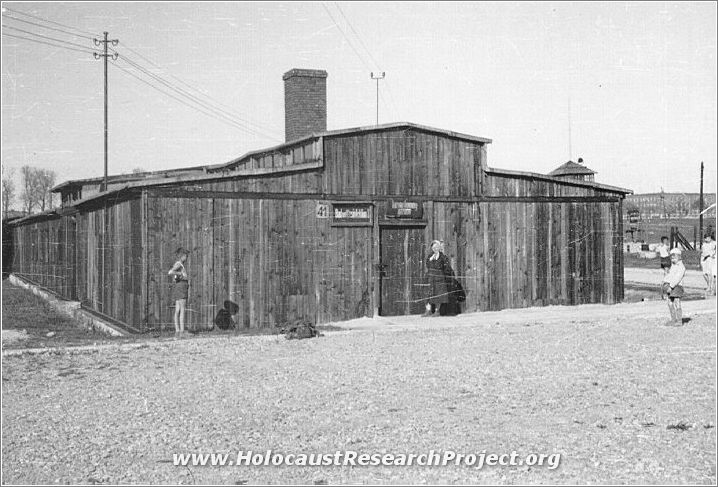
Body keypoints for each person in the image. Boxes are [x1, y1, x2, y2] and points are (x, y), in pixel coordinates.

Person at [423, 240, 453, 317]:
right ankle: (428, 311)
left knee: (438, 295)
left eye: (436, 247)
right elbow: (427, 265)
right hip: (430, 277)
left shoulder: (443, 257)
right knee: (428, 294)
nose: (435, 249)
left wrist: (442, 274)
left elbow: (447, 268)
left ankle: (437, 311)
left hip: (439, 278)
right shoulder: (430, 257)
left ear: (439, 248)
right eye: (433, 247)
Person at [167, 248, 189, 337]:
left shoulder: (179, 264)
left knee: (178, 310)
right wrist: (180, 274)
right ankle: (182, 331)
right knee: (182, 309)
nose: (187, 258)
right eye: (186, 256)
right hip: (181, 288)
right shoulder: (179, 264)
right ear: (182, 256)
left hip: (178, 288)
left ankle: (177, 331)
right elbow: (170, 272)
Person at [662, 248, 686, 326]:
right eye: (671, 258)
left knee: (677, 301)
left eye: (674, 257)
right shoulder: (673, 266)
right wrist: (665, 281)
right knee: (669, 302)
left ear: (679, 257)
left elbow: (677, 278)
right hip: (670, 285)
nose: (672, 259)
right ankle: (673, 319)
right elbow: (670, 276)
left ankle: (679, 320)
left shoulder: (681, 267)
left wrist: (671, 286)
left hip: (677, 286)